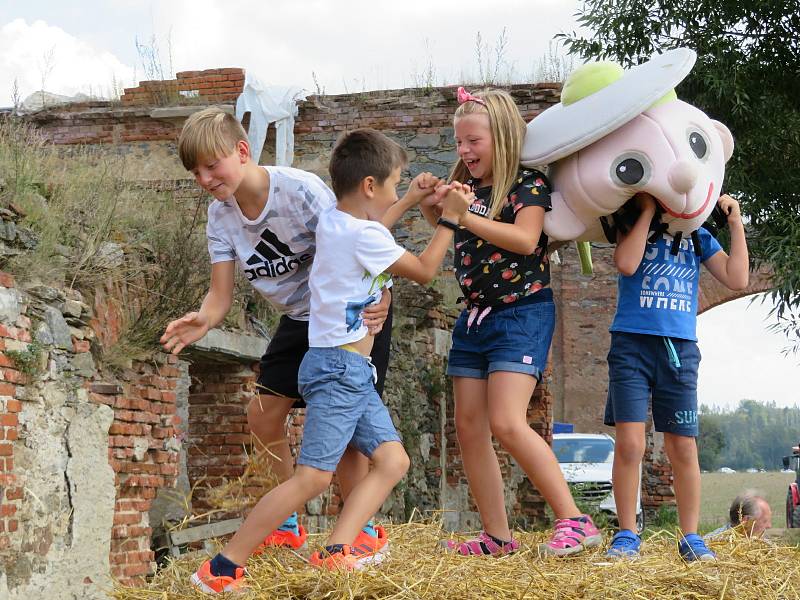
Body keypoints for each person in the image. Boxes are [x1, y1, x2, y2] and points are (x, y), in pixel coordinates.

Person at [190, 127, 473, 592]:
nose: (395, 193)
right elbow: (423, 271)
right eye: (393, 185)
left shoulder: (333, 222)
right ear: (368, 187)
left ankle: (340, 548)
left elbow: (370, 231)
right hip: (341, 369)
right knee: (312, 479)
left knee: (393, 460)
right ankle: (223, 567)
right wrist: (449, 221)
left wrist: (405, 202)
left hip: (346, 366)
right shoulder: (352, 231)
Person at [421, 87, 601, 557]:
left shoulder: (528, 185)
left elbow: (525, 240)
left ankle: (576, 520)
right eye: (459, 142)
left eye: (473, 141)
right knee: (469, 425)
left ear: (501, 136)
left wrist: (465, 216)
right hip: (474, 317)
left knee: (506, 420)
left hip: (522, 313)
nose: (464, 151)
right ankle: (497, 537)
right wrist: (433, 205)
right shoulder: (469, 190)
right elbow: (446, 225)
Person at [604, 192, 749, 561]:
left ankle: (691, 537)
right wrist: (648, 210)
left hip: (678, 350)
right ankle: (626, 533)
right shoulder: (630, 224)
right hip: (631, 346)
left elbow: (738, 277)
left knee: (683, 446)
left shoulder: (698, 235)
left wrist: (735, 222)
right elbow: (625, 262)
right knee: (631, 444)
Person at [705, 490, 773, 539]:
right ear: (746, 522)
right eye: (765, 521)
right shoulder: (709, 545)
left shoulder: (765, 546)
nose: (769, 526)